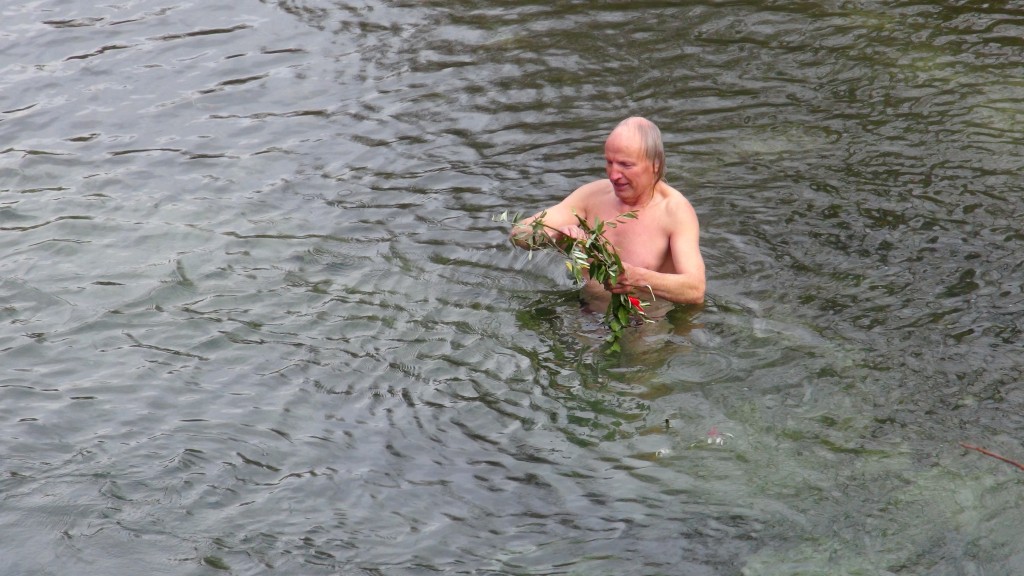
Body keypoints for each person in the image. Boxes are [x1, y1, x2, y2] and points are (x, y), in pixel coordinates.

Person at [510, 116, 705, 306]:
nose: (613, 175)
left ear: (655, 165)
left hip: (645, 324)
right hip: (586, 314)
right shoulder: (592, 195)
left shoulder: (675, 211)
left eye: (625, 165)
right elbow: (520, 232)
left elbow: (695, 289)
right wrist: (554, 238)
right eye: (609, 162)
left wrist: (638, 278)